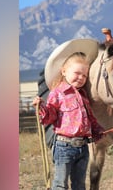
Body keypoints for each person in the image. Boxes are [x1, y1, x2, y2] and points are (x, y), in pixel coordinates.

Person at [33, 51, 105, 190]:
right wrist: (41, 107)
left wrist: (98, 131)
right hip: (64, 147)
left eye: (84, 75)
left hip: (83, 147)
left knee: (79, 184)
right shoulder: (58, 93)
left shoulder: (83, 96)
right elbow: (50, 116)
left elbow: (90, 119)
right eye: (77, 73)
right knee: (61, 183)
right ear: (64, 71)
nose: (81, 78)